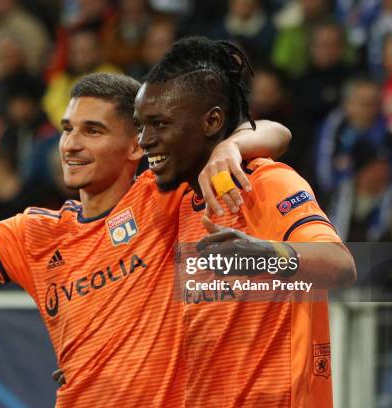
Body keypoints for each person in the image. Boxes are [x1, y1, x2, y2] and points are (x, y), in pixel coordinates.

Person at [0, 74, 290, 406]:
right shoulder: (37, 234)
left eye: (93, 130)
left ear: (136, 145)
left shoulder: (164, 198)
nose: (70, 144)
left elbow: (275, 130)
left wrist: (228, 148)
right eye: (68, 128)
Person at [134, 37, 356, 407]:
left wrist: (261, 256)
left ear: (212, 121)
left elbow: (340, 265)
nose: (145, 140)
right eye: (140, 125)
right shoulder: (168, 200)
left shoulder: (265, 182)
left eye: (159, 123)